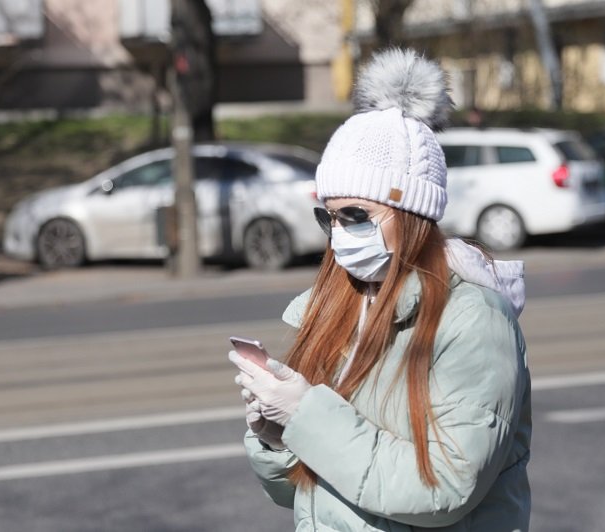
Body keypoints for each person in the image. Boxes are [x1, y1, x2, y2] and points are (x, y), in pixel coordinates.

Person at [228, 48, 531, 532]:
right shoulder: (340, 304)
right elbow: (301, 495)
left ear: (413, 216)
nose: (340, 232)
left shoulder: (473, 319)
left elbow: (444, 489)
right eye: (328, 216)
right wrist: (276, 437)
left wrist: (306, 414)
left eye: (356, 216)